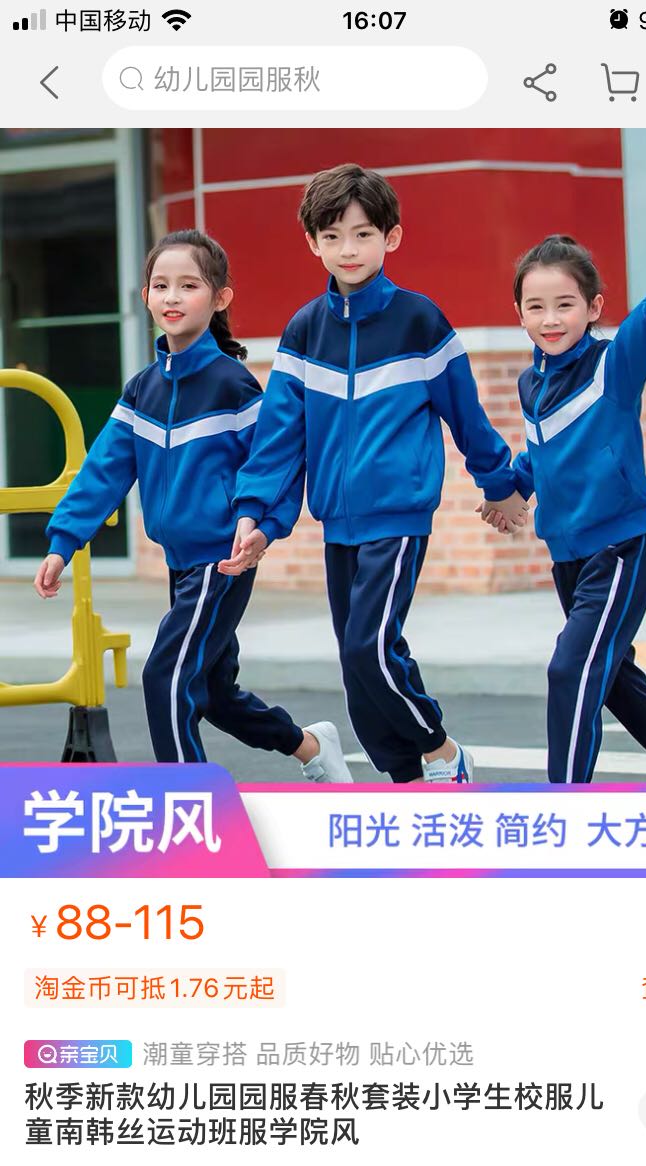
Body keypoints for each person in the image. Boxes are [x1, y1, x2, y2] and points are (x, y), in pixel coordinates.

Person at [225, 163, 529, 784]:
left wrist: (501, 487)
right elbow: (279, 438)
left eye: (363, 234)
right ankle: (406, 783)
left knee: (370, 649)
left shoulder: (420, 322)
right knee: (358, 666)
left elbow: (466, 416)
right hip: (337, 522)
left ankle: (442, 752)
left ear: (391, 237)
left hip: (398, 516)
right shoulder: (304, 331)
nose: (349, 249)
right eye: (332, 236)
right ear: (312, 243)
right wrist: (256, 515)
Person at [33, 228, 351, 781]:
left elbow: (276, 465)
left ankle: (191, 803)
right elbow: (104, 471)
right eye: (161, 286)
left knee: (166, 677)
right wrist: (64, 543)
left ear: (220, 297)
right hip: (181, 563)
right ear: (145, 297)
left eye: (189, 285)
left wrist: (265, 529)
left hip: (222, 560)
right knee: (212, 691)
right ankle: (310, 747)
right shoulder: (142, 390)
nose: (172, 297)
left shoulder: (234, 385)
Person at [484, 233, 646, 785]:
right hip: (567, 556)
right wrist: (514, 488)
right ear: (519, 314)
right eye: (536, 307)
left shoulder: (610, 369)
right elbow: (541, 450)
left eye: (564, 304)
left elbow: (642, 336)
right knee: (612, 676)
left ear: (593, 308)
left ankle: (567, 803)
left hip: (620, 548)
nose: (550, 319)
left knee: (571, 669)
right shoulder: (531, 384)